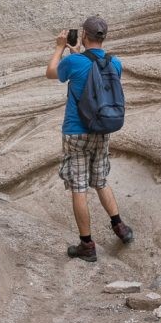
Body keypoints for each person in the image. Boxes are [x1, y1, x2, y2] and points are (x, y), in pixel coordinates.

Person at [44, 15, 135, 262]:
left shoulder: (73, 61)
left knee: (79, 187)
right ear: (104, 37)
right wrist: (78, 52)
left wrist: (60, 48)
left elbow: (51, 72)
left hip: (76, 131)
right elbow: (95, 71)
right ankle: (120, 227)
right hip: (102, 129)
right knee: (101, 180)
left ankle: (87, 245)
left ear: (84, 35)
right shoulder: (115, 63)